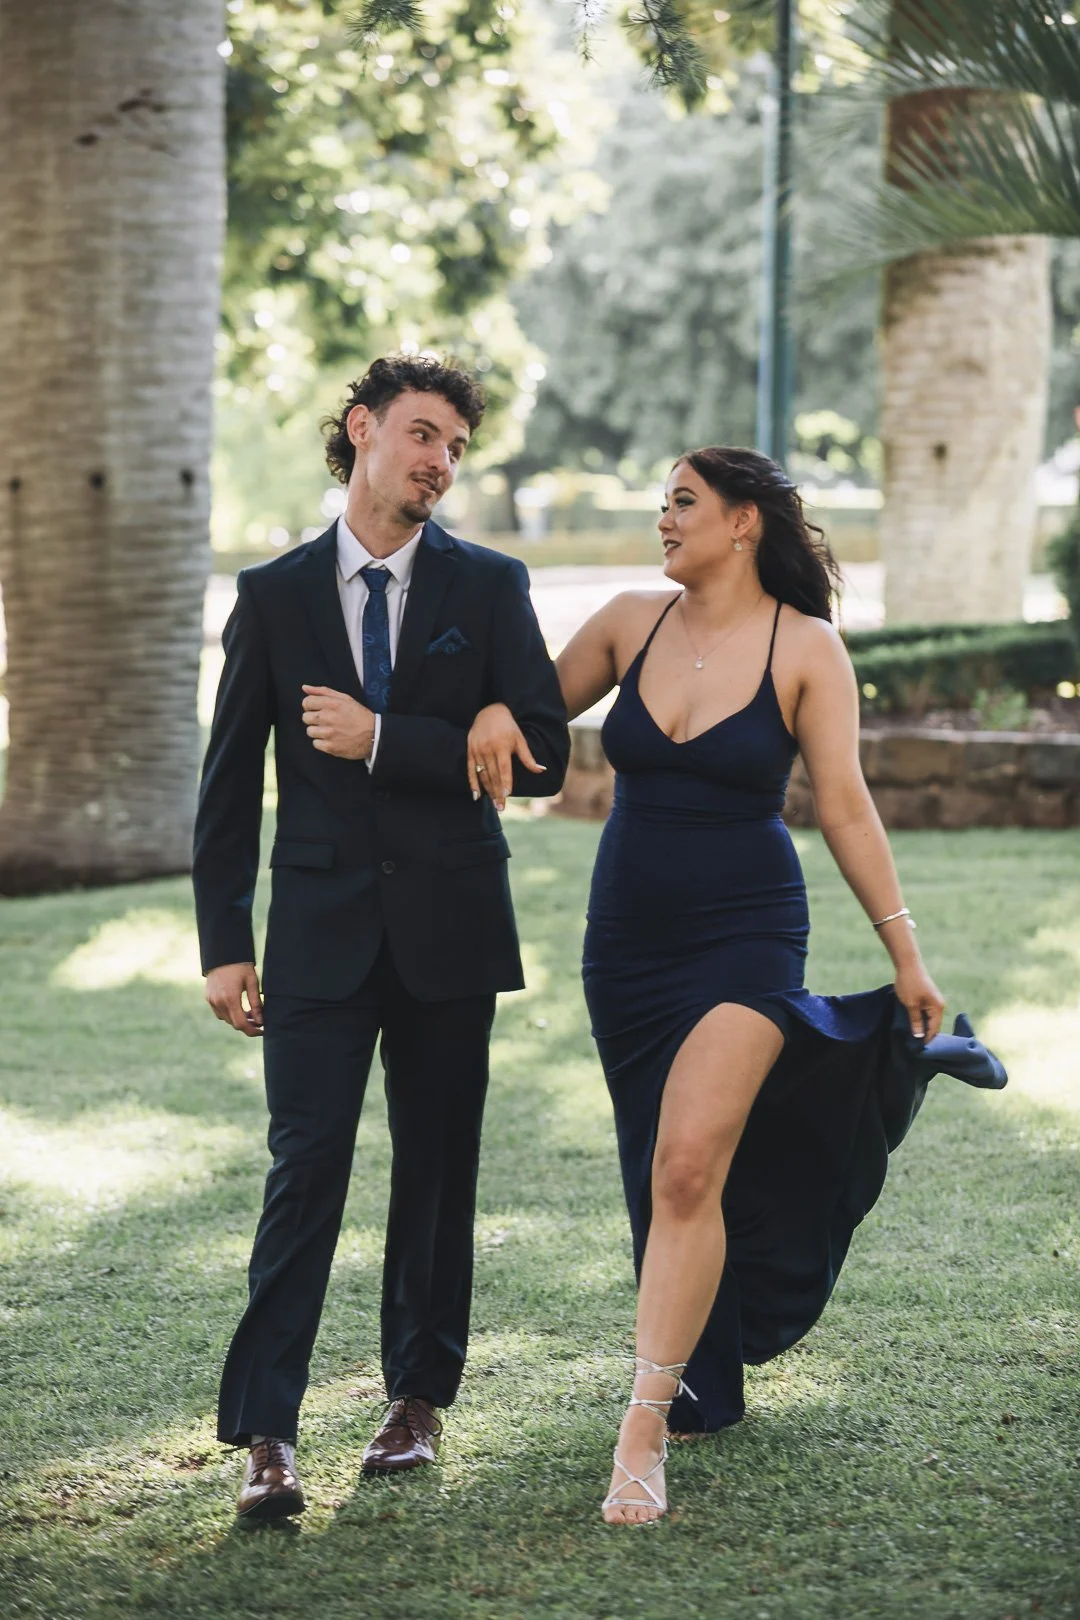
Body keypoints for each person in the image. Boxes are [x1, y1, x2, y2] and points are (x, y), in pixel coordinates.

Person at [466, 446, 1005, 1526]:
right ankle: (701, 1377)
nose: (663, 521)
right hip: (626, 944)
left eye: (683, 502)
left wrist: (905, 954)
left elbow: (844, 804)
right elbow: (528, 729)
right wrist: (489, 711)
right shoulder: (629, 622)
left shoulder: (805, 647)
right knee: (661, 1167)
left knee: (683, 1167)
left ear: (744, 521)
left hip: (746, 938)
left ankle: (642, 1427)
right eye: (661, 504)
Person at [192, 355, 569, 1523]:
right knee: (305, 1168)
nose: (439, 461)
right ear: (362, 429)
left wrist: (391, 738)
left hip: (452, 928)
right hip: (316, 934)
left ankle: (416, 1402)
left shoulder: (491, 586)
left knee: (438, 1169)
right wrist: (223, 939)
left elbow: (544, 754)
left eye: (454, 444)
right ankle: (267, 1433)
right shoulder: (273, 596)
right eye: (422, 433)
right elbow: (227, 785)